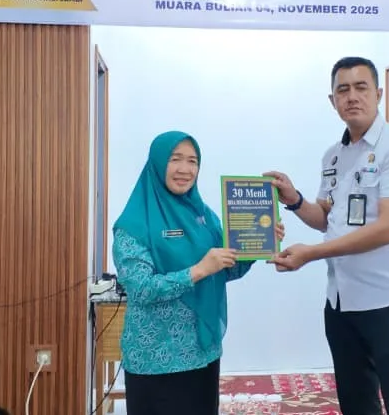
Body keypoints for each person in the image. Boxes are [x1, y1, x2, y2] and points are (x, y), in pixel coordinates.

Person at [265, 56, 389, 415]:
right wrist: (294, 199)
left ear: (379, 94)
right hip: (341, 302)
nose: (352, 96)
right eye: (343, 90)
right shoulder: (333, 156)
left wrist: (311, 253)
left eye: (361, 87)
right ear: (333, 100)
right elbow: (327, 219)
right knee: (356, 403)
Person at [112, 131, 285, 415]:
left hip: (203, 352)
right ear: (158, 163)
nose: (185, 169)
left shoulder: (203, 216)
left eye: (192, 161)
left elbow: (224, 270)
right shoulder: (133, 224)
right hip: (156, 359)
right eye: (175, 159)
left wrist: (259, 243)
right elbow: (141, 288)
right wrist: (198, 270)